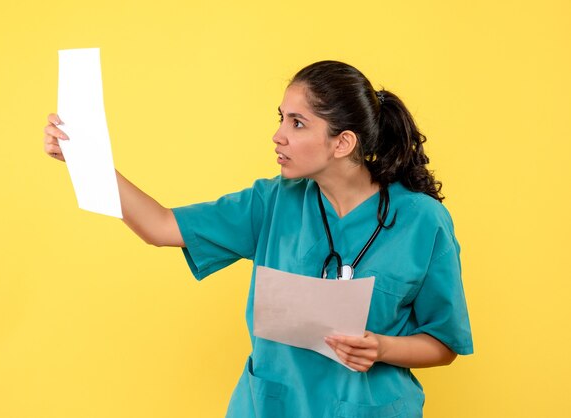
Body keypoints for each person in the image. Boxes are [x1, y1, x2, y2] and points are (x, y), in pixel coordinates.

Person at [43, 60, 473, 417]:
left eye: (298, 123)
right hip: (270, 405)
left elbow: (443, 343)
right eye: (281, 118)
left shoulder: (423, 221)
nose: (278, 135)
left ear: (342, 142)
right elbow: (160, 227)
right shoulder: (272, 202)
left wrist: (381, 347)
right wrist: (87, 159)